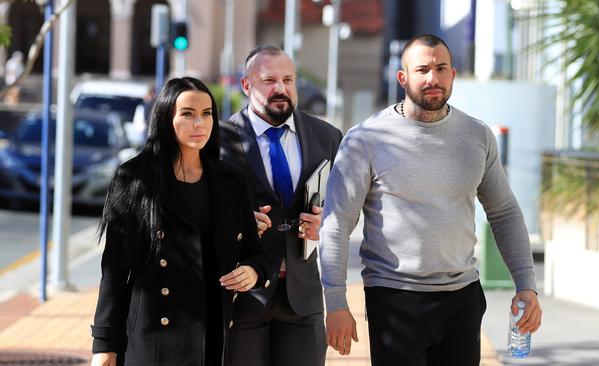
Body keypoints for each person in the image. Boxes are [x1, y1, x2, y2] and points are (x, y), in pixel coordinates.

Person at [319, 34, 543, 366]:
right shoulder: (366, 139)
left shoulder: (477, 136)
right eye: (422, 69)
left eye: (441, 68)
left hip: (462, 297)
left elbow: (505, 212)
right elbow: (335, 224)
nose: (432, 78)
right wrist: (336, 302)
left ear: (453, 74)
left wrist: (526, 285)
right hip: (394, 298)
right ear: (403, 77)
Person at [90, 77, 268, 366]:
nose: (199, 124)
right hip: (152, 338)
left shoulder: (230, 181)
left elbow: (254, 250)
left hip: (211, 334)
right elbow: (113, 271)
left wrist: (252, 270)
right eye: (187, 114)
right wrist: (104, 345)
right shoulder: (134, 178)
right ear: (165, 118)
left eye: (207, 114)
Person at [219, 45, 342, 366]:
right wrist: (235, 224)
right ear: (247, 86)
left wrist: (326, 223)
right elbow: (200, 211)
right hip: (243, 295)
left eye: (288, 79)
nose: (281, 88)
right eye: (269, 80)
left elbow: (346, 206)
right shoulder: (219, 141)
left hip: (303, 297)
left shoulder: (327, 137)